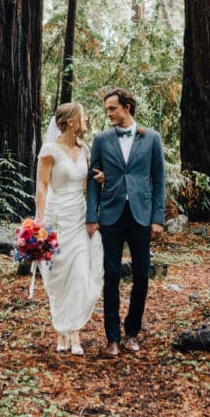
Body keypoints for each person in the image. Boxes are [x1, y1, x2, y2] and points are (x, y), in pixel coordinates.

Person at [86, 88, 166, 357]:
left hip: (142, 216)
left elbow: (159, 181)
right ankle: (112, 338)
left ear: (127, 108)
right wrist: (91, 217)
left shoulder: (152, 138)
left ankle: (132, 333)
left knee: (142, 275)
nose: (108, 113)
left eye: (112, 108)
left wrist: (158, 219)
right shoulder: (101, 139)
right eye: (107, 109)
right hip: (110, 215)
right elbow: (93, 178)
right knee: (111, 275)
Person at [35, 102, 104, 356]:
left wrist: (98, 179)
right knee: (58, 278)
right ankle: (61, 332)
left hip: (78, 216)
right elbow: (42, 186)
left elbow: (82, 181)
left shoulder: (83, 148)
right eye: (83, 117)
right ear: (71, 122)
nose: (86, 120)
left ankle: (74, 332)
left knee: (79, 274)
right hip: (56, 217)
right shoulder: (50, 149)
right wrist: (40, 221)